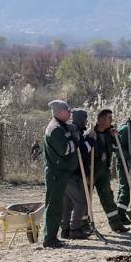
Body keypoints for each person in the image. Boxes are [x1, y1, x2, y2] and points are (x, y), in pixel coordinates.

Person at [40, 99, 81, 248]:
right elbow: (64, 149)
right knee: (54, 205)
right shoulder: (55, 129)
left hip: (61, 172)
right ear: (59, 112)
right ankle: (49, 238)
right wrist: (75, 140)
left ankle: (52, 236)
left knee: (58, 204)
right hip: (56, 173)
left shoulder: (61, 126)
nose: (70, 112)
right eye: (67, 109)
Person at [88, 108, 128, 232]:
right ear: (100, 120)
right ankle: (83, 225)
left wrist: (116, 137)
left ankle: (116, 224)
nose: (112, 120)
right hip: (91, 170)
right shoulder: (90, 134)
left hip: (103, 170)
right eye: (109, 118)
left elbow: (117, 148)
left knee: (108, 197)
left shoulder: (109, 134)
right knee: (85, 199)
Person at [65, 107, 94, 237]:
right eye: (84, 119)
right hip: (74, 172)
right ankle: (75, 229)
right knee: (81, 202)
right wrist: (91, 140)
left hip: (68, 172)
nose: (85, 122)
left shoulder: (73, 130)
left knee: (68, 203)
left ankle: (65, 229)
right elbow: (82, 150)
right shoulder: (74, 131)